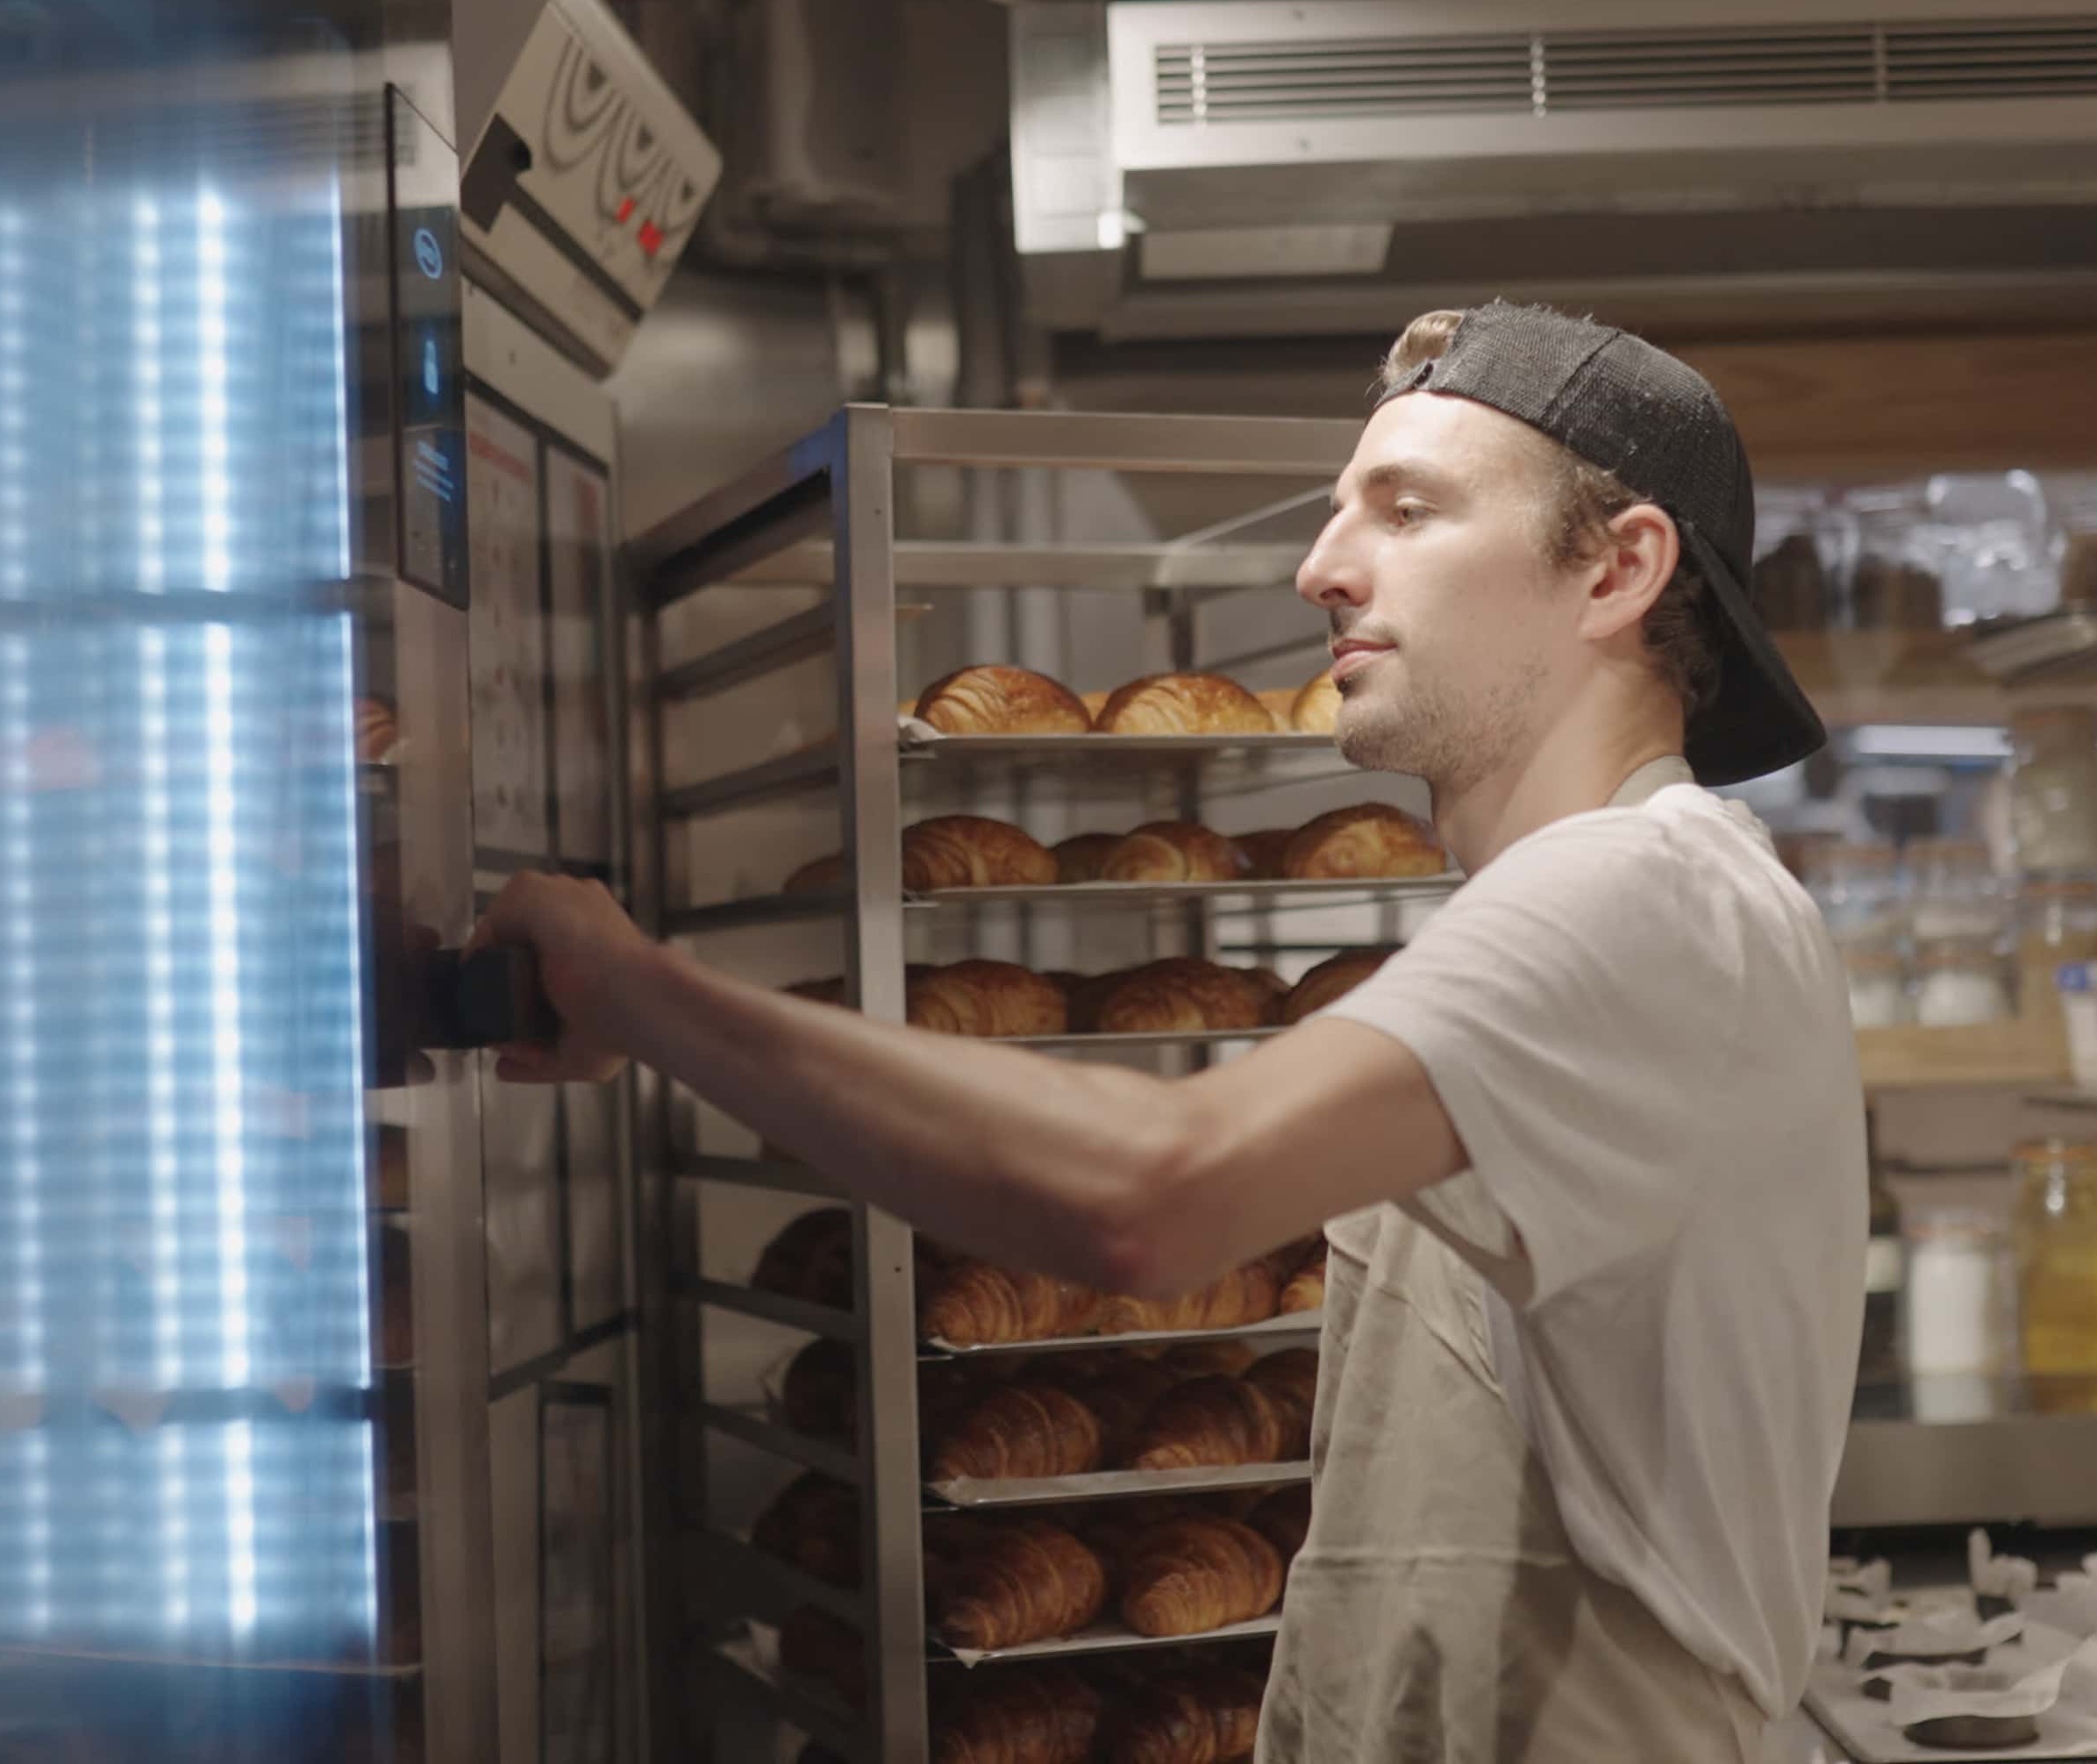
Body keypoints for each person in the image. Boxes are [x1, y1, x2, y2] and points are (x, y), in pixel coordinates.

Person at [474, 301, 1865, 1762]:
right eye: (1339, 511)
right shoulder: (1632, 900)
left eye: (1407, 510)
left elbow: (1154, 1192)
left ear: (1619, 569)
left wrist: (636, 991)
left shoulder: (1639, 894)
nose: (1321, 568)